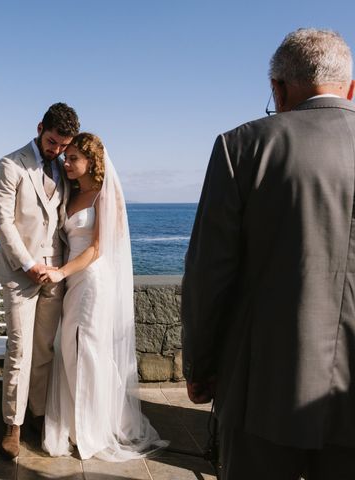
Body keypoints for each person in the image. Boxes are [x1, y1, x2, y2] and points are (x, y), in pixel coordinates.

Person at [181, 28, 355, 479]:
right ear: (351, 88)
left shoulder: (242, 147)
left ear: (277, 88)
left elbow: (208, 275)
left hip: (264, 393)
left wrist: (200, 367)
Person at [41, 133, 167, 461]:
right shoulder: (73, 194)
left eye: (72, 159)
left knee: (88, 350)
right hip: (73, 282)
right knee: (68, 348)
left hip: (93, 281)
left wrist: (61, 273)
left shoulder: (103, 198)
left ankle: (93, 428)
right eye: (65, 158)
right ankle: (75, 420)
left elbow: (97, 249)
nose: (65, 163)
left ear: (92, 162)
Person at [0, 102, 80, 459]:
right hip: (19, 273)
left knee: (44, 349)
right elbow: (3, 223)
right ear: (41, 126)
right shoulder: (10, 164)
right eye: (53, 141)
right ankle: (12, 424)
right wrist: (28, 265)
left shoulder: (65, 169)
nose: (56, 150)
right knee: (19, 349)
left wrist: (60, 268)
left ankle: (38, 416)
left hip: (54, 272)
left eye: (62, 145)